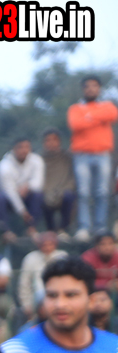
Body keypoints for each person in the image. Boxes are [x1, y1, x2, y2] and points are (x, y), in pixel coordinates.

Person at [67, 76, 117, 241]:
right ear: (83, 89)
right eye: (87, 86)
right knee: (83, 192)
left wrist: (88, 117)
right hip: (82, 155)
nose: (91, 89)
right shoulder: (75, 108)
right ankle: (84, 227)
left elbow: (113, 114)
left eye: (94, 86)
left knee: (102, 192)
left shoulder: (107, 105)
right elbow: (75, 124)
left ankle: (100, 227)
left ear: (99, 89)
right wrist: (98, 118)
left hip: (103, 154)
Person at [0, 137, 45, 238]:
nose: (24, 150)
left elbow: (38, 183)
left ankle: (32, 229)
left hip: (27, 195)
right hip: (9, 198)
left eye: (27, 147)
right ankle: (6, 231)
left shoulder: (37, 160)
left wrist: (27, 186)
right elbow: (9, 191)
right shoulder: (4, 166)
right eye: (20, 147)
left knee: (38, 195)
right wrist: (23, 212)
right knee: (0, 197)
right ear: (14, 149)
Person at [18, 232, 67, 320]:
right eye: (44, 245)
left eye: (50, 244)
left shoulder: (62, 257)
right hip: (36, 301)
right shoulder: (30, 258)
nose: (47, 248)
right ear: (39, 245)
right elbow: (24, 284)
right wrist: (26, 306)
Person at [40, 129, 76, 238]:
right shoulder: (39, 159)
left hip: (64, 189)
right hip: (46, 191)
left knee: (69, 196)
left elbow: (72, 178)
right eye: (48, 140)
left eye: (54, 140)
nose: (51, 143)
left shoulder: (67, 157)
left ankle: (63, 229)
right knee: (40, 198)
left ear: (59, 141)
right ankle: (50, 230)